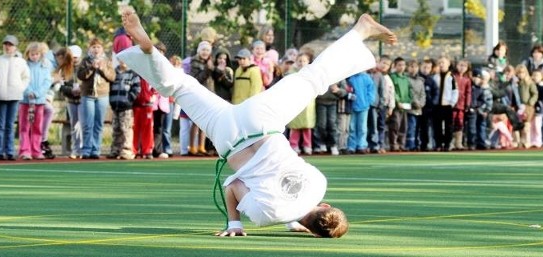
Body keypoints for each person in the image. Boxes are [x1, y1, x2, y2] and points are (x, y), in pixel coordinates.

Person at [118, 6, 396, 237]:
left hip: (264, 122)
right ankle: (149, 53)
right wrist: (234, 223)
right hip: (229, 135)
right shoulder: (266, 216)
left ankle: (360, 30)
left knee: (313, 78)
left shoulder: (318, 185)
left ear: (325, 204)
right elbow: (232, 188)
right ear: (310, 230)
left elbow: (292, 188)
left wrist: (296, 215)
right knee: (180, 87)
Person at [77, 38, 116, 159]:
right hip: (88, 96)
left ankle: (96, 149)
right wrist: (91, 68)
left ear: (102, 49)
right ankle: (86, 150)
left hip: (102, 95)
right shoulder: (85, 61)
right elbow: (80, 76)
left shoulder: (107, 61)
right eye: (93, 47)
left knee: (98, 124)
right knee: (88, 124)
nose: (96, 49)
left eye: (98, 47)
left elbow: (112, 77)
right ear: (90, 49)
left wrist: (102, 69)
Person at [0, 35, 30, 160]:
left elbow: (26, 77)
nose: (8, 47)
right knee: (0, 125)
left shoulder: (21, 62)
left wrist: (21, 88)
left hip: (15, 96)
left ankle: (9, 151)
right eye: (6, 44)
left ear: (15, 47)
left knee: (10, 125)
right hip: (1, 96)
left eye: (10, 45)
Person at [18, 42, 52, 160]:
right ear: (28, 54)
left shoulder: (45, 66)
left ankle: (36, 150)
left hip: (39, 101)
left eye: (37, 54)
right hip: (26, 101)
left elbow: (47, 82)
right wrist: (29, 92)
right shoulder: (24, 65)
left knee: (37, 126)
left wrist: (37, 93)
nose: (35, 56)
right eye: (32, 54)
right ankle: (25, 150)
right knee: (25, 126)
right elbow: (22, 79)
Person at [288, 53, 316, 155]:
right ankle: (294, 145)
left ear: (308, 62)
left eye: (304, 61)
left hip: (308, 102)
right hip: (295, 101)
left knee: (306, 126)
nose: (302, 63)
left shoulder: (312, 74)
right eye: (300, 61)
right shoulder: (291, 73)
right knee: (295, 126)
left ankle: (307, 145)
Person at [60, 45, 83, 159]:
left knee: (83, 124)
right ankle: (76, 149)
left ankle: (84, 149)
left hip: (83, 99)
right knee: (74, 124)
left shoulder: (84, 66)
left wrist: (81, 90)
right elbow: (61, 86)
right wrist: (71, 90)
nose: (74, 59)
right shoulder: (65, 68)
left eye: (76, 57)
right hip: (71, 100)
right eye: (73, 57)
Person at [405, 59, 426, 151]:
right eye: (411, 66)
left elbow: (423, 94)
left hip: (419, 109)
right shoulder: (406, 79)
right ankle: (410, 145)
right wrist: (414, 102)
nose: (413, 69)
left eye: (415, 67)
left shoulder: (420, 81)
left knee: (417, 128)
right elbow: (409, 92)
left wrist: (421, 104)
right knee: (410, 127)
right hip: (409, 108)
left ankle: (415, 144)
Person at [452, 59, 472, 150]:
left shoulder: (467, 80)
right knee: (451, 123)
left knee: (460, 123)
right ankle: (451, 142)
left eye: (464, 66)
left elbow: (468, 92)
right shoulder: (452, 77)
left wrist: (467, 104)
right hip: (452, 104)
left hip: (461, 105)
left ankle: (458, 143)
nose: (462, 67)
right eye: (460, 65)